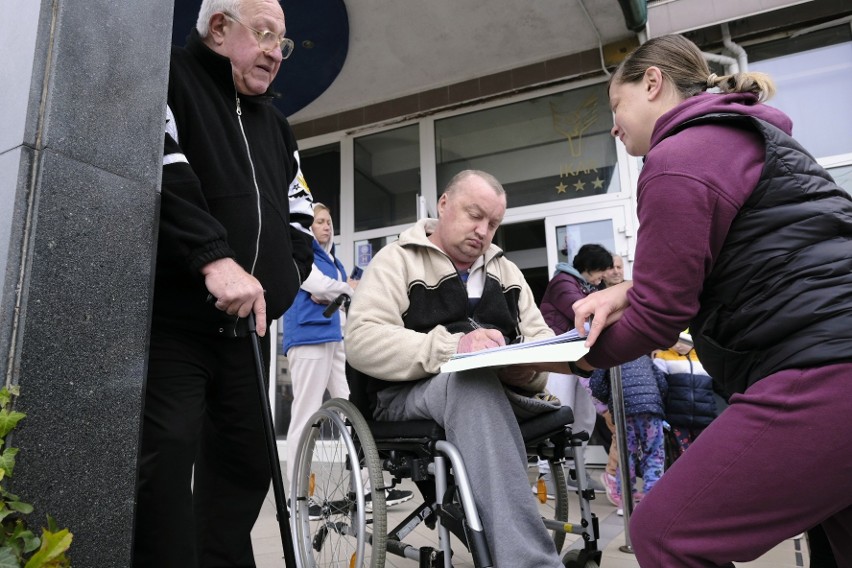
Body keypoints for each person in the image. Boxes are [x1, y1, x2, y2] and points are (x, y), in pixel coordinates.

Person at [571, 34, 852, 566]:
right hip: (834, 361)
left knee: (666, 533)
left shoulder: (680, 153)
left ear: (652, 82)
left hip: (822, 370)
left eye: (616, 104)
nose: (613, 124)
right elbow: (753, 253)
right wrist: (626, 291)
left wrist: (575, 356)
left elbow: (660, 316)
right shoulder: (748, 137)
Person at [133, 1, 315, 566]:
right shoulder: (167, 77)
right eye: (264, 35)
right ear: (218, 28)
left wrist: (289, 274)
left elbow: (300, 211)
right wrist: (213, 256)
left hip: (247, 332)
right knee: (166, 457)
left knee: (245, 462)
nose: (274, 54)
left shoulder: (277, 126)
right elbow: (165, 169)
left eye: (281, 43)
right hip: (177, 322)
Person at [345, 170, 569, 567]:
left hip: (501, 393)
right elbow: (361, 340)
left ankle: (498, 533)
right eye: (474, 215)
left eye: (494, 223)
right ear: (444, 205)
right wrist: (453, 349)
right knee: (470, 382)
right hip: (409, 395)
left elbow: (541, 345)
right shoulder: (397, 260)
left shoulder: (508, 273)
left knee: (485, 384)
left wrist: (527, 372)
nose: (483, 231)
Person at [282, 203, 413, 511]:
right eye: (320, 221)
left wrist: (337, 290)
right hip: (308, 339)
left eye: (329, 221)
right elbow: (315, 285)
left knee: (355, 411)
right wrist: (344, 289)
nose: (326, 226)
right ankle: (296, 498)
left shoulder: (334, 261)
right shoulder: (302, 253)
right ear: (308, 225)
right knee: (306, 413)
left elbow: (330, 292)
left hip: (336, 338)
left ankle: (367, 489)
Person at [536, 244, 614, 496]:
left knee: (584, 415)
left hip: (578, 358)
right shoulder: (563, 282)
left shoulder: (590, 286)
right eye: (600, 271)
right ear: (588, 267)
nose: (602, 276)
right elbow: (582, 310)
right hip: (557, 358)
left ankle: (574, 471)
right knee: (559, 412)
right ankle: (546, 475)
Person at [590, 355, 667, 513]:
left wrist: (610, 398)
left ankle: (625, 502)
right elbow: (662, 383)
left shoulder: (607, 356)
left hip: (624, 410)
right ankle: (652, 502)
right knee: (654, 454)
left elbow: (596, 386)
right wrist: (654, 400)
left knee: (626, 455)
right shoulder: (643, 355)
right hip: (651, 409)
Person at [652, 331, 718, 458]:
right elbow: (659, 388)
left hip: (705, 417)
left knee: (705, 454)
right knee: (683, 456)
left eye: (683, 341)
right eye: (674, 341)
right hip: (676, 418)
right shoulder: (663, 357)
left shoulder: (704, 359)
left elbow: (719, 386)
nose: (678, 345)